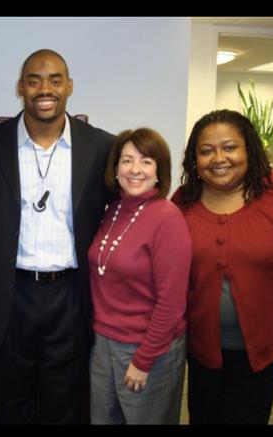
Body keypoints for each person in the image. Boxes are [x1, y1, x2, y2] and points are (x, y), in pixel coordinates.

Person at [0, 48, 115, 424]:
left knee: (64, 405)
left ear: (69, 86)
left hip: (71, 296)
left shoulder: (102, 147)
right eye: (34, 80)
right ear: (20, 87)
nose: (45, 89)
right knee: (9, 404)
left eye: (55, 80)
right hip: (10, 295)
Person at [172, 109, 273, 424]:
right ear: (194, 159)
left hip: (264, 348)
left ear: (249, 150)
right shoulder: (183, 201)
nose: (219, 158)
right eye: (206, 151)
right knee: (203, 416)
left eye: (229, 147)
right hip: (200, 348)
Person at [87, 128, 191, 424]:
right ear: (115, 168)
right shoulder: (113, 211)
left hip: (147, 348)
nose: (135, 169)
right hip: (103, 344)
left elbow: (171, 303)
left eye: (146, 161)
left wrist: (144, 360)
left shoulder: (168, 219)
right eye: (127, 160)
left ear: (159, 172)